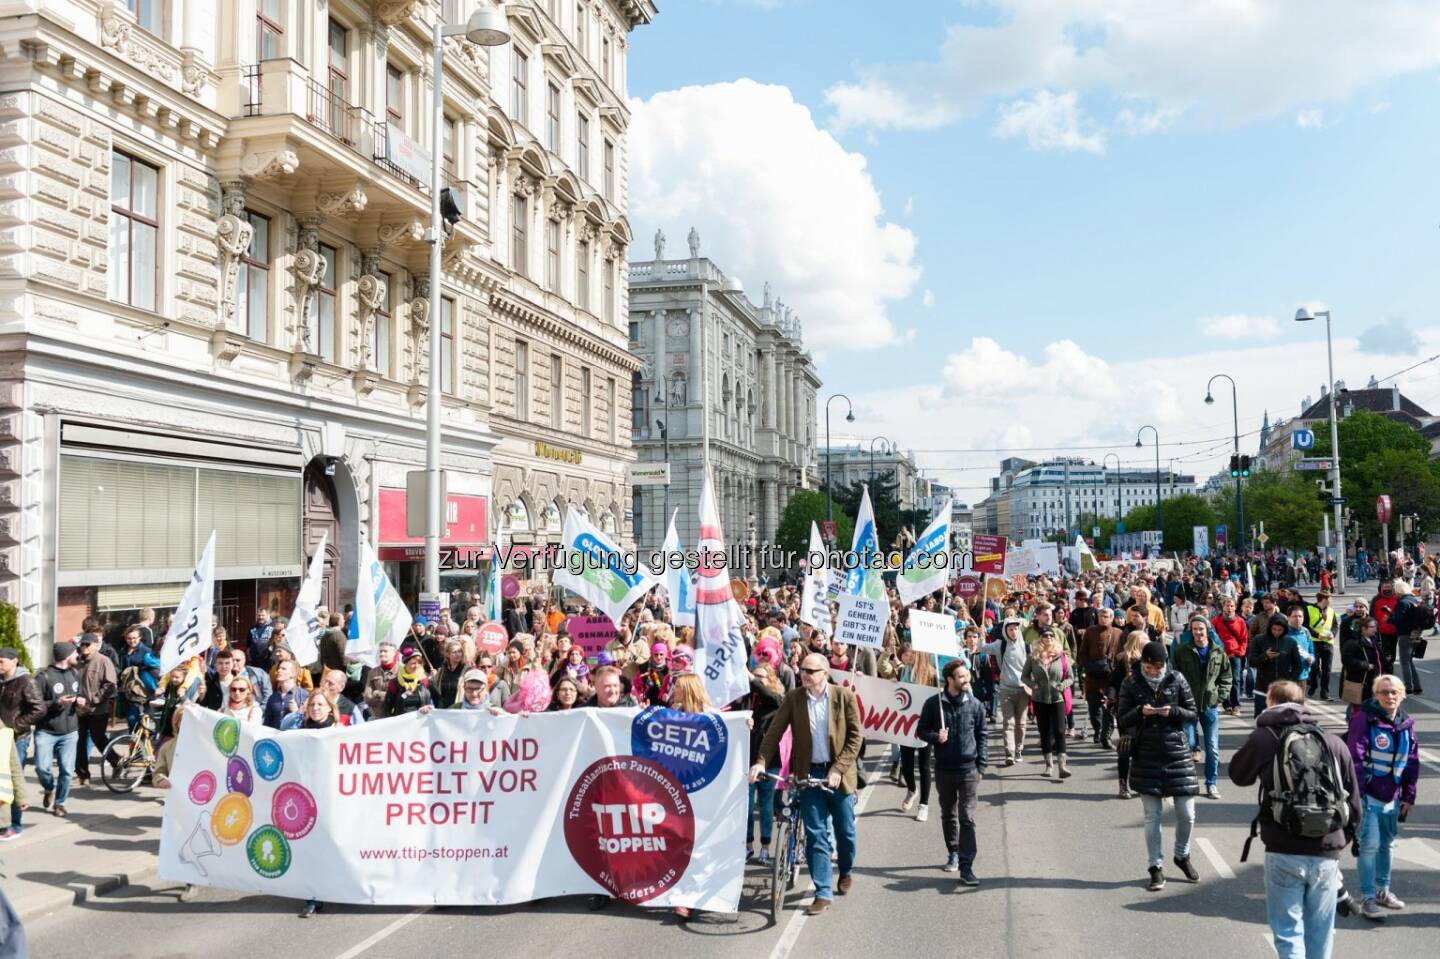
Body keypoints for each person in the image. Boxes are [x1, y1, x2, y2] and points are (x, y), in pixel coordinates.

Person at [1230, 681, 1361, 959]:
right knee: (1321, 932)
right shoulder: (1333, 741)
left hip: (1283, 848)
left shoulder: (1265, 738)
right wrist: (1337, 841)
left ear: (1271, 702)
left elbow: (1238, 776)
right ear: (1304, 703)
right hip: (1326, 851)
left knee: (1288, 932)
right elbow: (1355, 805)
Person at [750, 652, 863, 917]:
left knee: (845, 832)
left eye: (810, 671)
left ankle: (845, 870)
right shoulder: (794, 699)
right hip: (808, 773)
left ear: (824, 673)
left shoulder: (843, 697)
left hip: (838, 773)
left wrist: (839, 767)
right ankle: (822, 892)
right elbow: (773, 733)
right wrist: (761, 762)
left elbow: (856, 737)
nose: (804, 674)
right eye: (802, 670)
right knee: (815, 834)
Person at [1117, 641, 1199, 891]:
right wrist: (1141, 712)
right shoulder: (1130, 683)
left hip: (1176, 752)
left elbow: (1192, 713)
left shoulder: (1176, 679)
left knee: (1187, 813)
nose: (1153, 672)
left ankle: (1182, 855)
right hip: (1146, 754)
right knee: (1153, 816)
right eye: (1149, 667)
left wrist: (1171, 712)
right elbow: (1121, 719)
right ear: (1142, 663)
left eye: (1157, 667)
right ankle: (1155, 867)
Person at [1347, 675, 1420, 921]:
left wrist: (1409, 794)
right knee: (1369, 846)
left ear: (1402, 695)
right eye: (1384, 692)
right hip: (1368, 796)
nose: (1389, 697)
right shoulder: (1364, 719)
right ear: (1376, 695)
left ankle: (1382, 891)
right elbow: (1354, 758)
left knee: (1387, 846)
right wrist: (1358, 794)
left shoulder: (1406, 724)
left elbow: (1412, 760)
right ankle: (1367, 897)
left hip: (1393, 797)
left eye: (1394, 692)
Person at [916, 661, 987, 885]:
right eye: (961, 676)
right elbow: (920, 731)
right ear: (950, 680)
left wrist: (981, 765)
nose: (966, 680)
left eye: (967, 675)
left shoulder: (975, 705)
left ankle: (967, 867)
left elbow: (982, 734)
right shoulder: (933, 704)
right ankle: (953, 851)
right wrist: (936, 737)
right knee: (949, 814)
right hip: (944, 769)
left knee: (967, 817)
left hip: (968, 769)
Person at [1173, 614, 1232, 799]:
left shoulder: (1218, 652)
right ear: (1190, 631)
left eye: (1201, 629)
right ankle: (1188, 782)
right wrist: (1178, 698)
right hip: (1188, 706)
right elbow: (1174, 675)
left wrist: (1220, 696)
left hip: (1210, 705)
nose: (1198, 632)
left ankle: (1211, 784)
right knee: (1189, 745)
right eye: (1195, 629)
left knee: (1212, 748)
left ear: (1207, 630)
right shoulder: (1182, 651)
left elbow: (1226, 677)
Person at [0, 648, 43, 839]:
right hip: (1, 735)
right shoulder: (1, 681)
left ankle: (15, 825)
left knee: (12, 778)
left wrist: (16, 726)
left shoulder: (25, 681)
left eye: (1, 661)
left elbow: (39, 709)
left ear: (14, 661)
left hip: (17, 737)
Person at [745, 660, 785, 864]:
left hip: (770, 761)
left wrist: (753, 679)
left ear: (769, 680)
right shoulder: (747, 699)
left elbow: (771, 697)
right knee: (746, 806)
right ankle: (748, 846)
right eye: (754, 676)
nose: (756, 681)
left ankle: (766, 847)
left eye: (761, 677)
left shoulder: (776, 699)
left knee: (766, 805)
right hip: (747, 760)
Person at [1020, 628, 1073, 781]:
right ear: (1040, 638)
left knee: (1060, 730)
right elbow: (1024, 676)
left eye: (1051, 635)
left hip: (1057, 698)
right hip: (1039, 699)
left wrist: (1063, 686)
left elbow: (1070, 677)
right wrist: (1032, 685)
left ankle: (1062, 766)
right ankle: (1049, 765)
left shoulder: (1061, 656)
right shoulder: (1033, 656)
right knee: (1044, 732)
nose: (1048, 638)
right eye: (1045, 635)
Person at [980, 618, 1030, 766]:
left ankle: (1018, 750)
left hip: (1023, 690)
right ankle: (1009, 752)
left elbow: (1032, 668)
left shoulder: (1027, 647)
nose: (1013, 632)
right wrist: (981, 635)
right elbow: (982, 648)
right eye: (1010, 629)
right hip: (1006, 689)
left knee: (1021, 723)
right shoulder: (999, 645)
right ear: (1005, 631)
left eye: (1015, 629)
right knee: (1008, 722)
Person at [897, 642, 936, 818]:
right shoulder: (903, 670)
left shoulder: (932, 674)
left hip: (925, 725)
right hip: (906, 724)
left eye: (913, 653)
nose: (910, 656)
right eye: (908, 653)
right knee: (906, 766)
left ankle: (924, 805)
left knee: (924, 766)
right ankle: (912, 790)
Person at [73, 633, 117, 788]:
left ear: (95, 645)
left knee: (99, 738)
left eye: (87, 644)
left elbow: (110, 686)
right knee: (80, 741)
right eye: (82, 645)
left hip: (98, 710)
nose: (84, 647)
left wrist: (95, 699)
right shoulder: (78, 662)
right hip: (80, 709)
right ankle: (82, 774)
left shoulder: (104, 661)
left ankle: (115, 760)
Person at [1078, 607, 1121, 748]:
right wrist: (1088, 666)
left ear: (1112, 618)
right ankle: (1098, 729)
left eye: (1106, 616)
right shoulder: (1090, 632)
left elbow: (1122, 656)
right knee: (1094, 708)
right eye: (1101, 616)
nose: (1103, 618)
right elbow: (1082, 653)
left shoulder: (1118, 633)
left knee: (1110, 709)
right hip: (1092, 677)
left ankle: (1106, 737)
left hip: (1111, 678)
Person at [1250, 614, 1304, 717]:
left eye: (1280, 630)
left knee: (1282, 720)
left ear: (1285, 629)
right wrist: (1265, 656)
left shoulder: (1290, 642)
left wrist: (1290, 681)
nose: (1276, 632)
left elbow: (1298, 666)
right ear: (1270, 628)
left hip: (1282, 690)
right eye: (1274, 629)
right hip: (1263, 688)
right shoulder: (1259, 640)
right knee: (1261, 718)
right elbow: (1252, 661)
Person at [1212, 597, 1249, 715]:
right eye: (1227, 605)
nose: (1229, 608)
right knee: (1222, 679)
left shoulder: (1240, 621)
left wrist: (1240, 652)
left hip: (1235, 654)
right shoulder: (1216, 621)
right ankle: (1226, 704)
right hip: (1221, 654)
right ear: (1223, 607)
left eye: (1232, 606)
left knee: (1236, 680)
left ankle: (1236, 704)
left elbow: (1244, 638)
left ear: (1235, 607)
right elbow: (1212, 637)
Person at [1339, 617, 1385, 709]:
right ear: (1363, 629)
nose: (1375, 630)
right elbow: (1347, 660)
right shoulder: (1353, 642)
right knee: (1359, 708)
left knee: (1370, 708)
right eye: (1372, 627)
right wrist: (1366, 665)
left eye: (1375, 627)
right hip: (1361, 682)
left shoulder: (1373, 640)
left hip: (1374, 681)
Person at [1305, 592, 1337, 701]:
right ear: (1323, 599)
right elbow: (1305, 626)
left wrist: (1332, 634)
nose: (1331, 600)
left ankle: (1325, 693)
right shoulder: (1309, 609)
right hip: (1314, 642)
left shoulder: (1331, 611)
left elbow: (1335, 626)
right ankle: (1313, 685)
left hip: (1328, 643)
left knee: (1327, 669)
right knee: (1314, 667)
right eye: (1330, 598)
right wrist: (1318, 635)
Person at [385, 647, 435, 716]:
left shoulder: (425, 681)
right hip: (402, 723)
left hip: (422, 723)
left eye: (419, 663)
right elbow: (387, 708)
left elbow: (438, 702)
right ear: (405, 663)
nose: (417, 666)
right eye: (413, 663)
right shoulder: (395, 683)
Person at [262, 660, 309, 729]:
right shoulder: (273, 697)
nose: (279, 671)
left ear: (293, 674)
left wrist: (296, 712)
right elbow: (267, 723)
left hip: (295, 736)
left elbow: (308, 722)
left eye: (283, 669)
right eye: (279, 668)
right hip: (276, 737)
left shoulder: (303, 695)